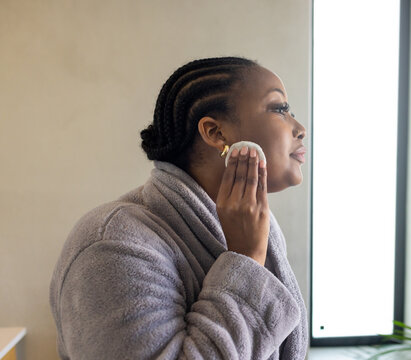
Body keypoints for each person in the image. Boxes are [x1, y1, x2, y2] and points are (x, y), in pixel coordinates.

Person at [49, 56, 308, 359]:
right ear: (216, 133)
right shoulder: (109, 244)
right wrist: (245, 258)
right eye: (279, 108)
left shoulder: (258, 226)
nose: (300, 128)